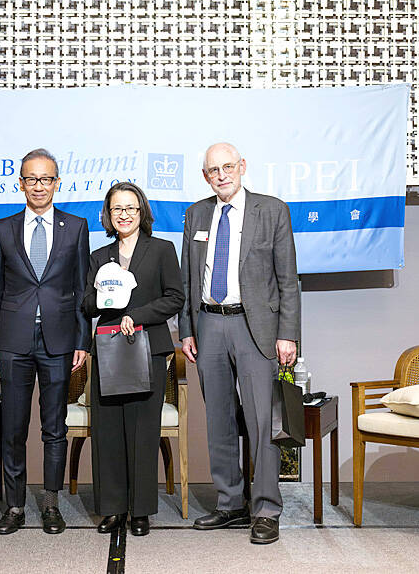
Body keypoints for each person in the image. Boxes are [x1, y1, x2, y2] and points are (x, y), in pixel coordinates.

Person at [179, 142, 300, 545]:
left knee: (262, 422)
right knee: (219, 419)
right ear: (205, 176)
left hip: (256, 327)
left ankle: (265, 508)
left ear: (242, 166)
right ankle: (230, 503)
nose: (222, 175)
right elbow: (187, 277)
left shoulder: (273, 210)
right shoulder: (196, 214)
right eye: (213, 170)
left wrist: (288, 333)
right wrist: (187, 329)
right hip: (209, 323)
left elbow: (288, 279)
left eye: (228, 167)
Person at [0, 148, 91, 535]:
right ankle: (14, 507)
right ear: (21, 184)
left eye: (46, 179)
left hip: (59, 342)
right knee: (13, 428)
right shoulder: (3, 228)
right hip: (12, 342)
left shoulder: (76, 227)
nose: (39, 186)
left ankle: (50, 504)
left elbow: (82, 290)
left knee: (54, 428)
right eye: (32, 179)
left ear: (57, 183)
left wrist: (83, 340)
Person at [82, 182, 184, 537]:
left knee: (143, 432)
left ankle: (140, 511)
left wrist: (136, 315)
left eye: (130, 208)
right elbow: (86, 304)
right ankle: (112, 509)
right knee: (107, 431)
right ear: (108, 215)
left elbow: (175, 298)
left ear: (142, 212)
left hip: (148, 348)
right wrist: (104, 296)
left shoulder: (162, 250)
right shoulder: (99, 256)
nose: (123, 215)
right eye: (117, 209)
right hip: (109, 350)